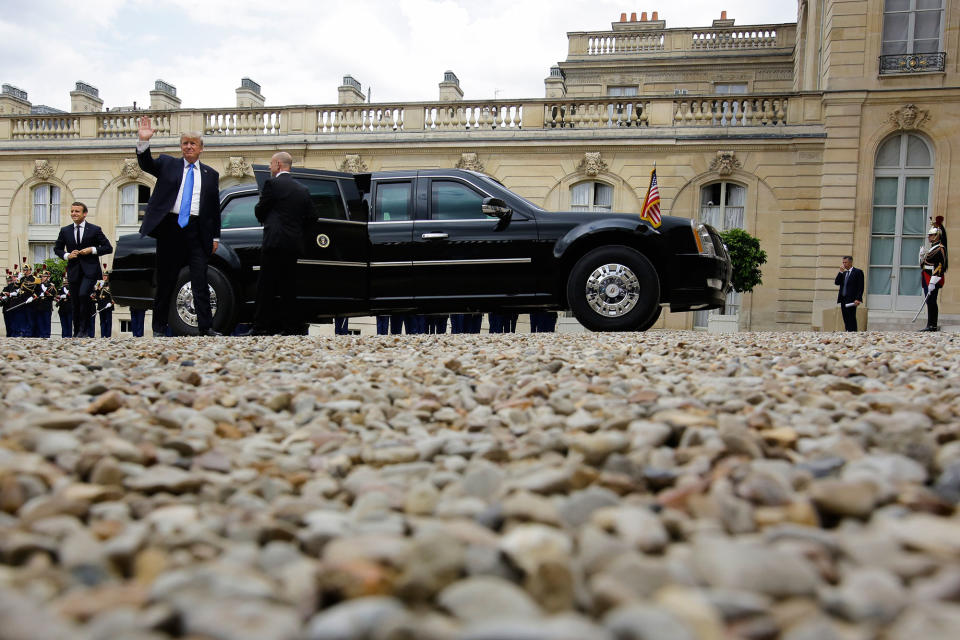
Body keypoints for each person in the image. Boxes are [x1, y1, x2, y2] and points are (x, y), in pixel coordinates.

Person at [136, 116, 221, 336]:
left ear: (201, 148)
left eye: (193, 143)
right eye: (185, 143)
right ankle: (159, 328)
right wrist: (143, 142)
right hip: (171, 229)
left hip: (197, 231)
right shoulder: (167, 164)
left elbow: (213, 209)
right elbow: (146, 164)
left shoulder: (211, 175)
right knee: (166, 280)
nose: (189, 146)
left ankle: (206, 328)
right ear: (181, 147)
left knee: (200, 280)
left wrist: (215, 237)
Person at [251, 151, 316, 335]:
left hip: (273, 242)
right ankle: (290, 328)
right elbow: (313, 217)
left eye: (271, 164)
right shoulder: (302, 189)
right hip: (293, 244)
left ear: (279, 164)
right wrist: (298, 233)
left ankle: (260, 327)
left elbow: (260, 211)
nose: (269, 167)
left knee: (266, 287)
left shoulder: (272, 184)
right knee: (289, 287)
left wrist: (267, 215)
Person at [54, 202, 113, 338]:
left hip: (90, 271)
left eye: (77, 211)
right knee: (75, 300)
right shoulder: (65, 230)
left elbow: (108, 247)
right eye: (72, 211)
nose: (74, 213)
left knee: (83, 295)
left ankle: (84, 329)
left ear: (84, 214)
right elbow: (57, 248)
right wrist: (67, 255)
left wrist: (92, 250)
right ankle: (78, 331)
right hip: (74, 270)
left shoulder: (94, 229)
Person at [919, 217, 948, 332]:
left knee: (931, 301)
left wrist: (932, 282)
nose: (929, 237)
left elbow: (939, 266)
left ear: (937, 236)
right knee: (929, 301)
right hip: (927, 276)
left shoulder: (940, 249)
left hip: (933, 278)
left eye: (931, 235)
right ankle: (929, 324)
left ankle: (932, 325)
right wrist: (921, 256)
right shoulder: (932, 248)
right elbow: (924, 265)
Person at [834, 255, 863, 332]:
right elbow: (836, 282)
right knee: (845, 317)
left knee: (851, 317)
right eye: (843, 262)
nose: (844, 264)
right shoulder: (843, 273)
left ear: (850, 262)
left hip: (852, 299)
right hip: (843, 299)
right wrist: (840, 272)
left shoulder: (858, 272)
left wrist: (858, 299)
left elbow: (861, 287)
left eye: (845, 262)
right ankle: (847, 331)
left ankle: (853, 332)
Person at [34, 270, 56, 339]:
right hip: (39, 306)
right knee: (40, 322)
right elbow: (35, 292)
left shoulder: (51, 286)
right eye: (42, 276)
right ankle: (41, 334)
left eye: (44, 276)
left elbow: (53, 294)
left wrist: (44, 292)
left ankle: (47, 335)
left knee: (46, 322)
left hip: (46, 306)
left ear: (48, 277)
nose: (42, 278)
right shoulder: (39, 285)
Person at [94, 270, 113, 338]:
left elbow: (112, 294)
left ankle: (108, 336)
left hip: (108, 305)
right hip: (101, 304)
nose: (104, 277)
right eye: (103, 276)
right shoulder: (100, 283)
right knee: (102, 321)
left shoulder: (110, 284)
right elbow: (97, 294)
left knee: (108, 321)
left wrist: (111, 303)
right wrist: (98, 288)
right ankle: (102, 336)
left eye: (106, 276)